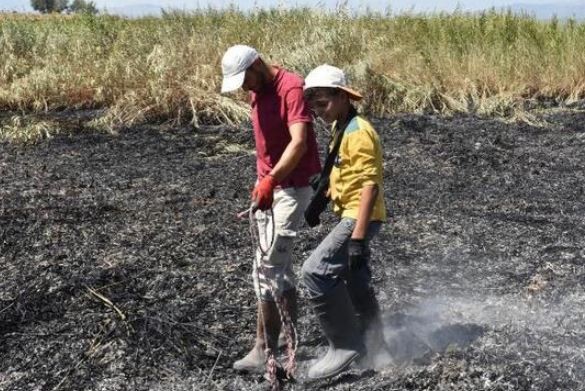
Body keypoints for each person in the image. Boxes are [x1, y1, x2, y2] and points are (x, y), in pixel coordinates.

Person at [220, 45, 321, 373]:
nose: (244, 88)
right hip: (270, 188)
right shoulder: (259, 88)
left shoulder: (290, 87)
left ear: (256, 66)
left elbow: (299, 142)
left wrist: (271, 180)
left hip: (292, 188)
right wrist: (263, 184)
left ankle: (265, 347)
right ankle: (288, 338)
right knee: (271, 270)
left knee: (268, 269)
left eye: (244, 79)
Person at [301, 64, 388, 380]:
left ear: (342, 96)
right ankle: (378, 349)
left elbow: (369, 186)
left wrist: (356, 238)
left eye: (323, 103)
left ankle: (344, 345)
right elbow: (337, 174)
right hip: (351, 213)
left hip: (359, 216)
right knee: (356, 282)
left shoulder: (359, 133)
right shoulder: (341, 128)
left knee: (315, 272)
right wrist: (318, 204)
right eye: (314, 106)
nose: (319, 111)